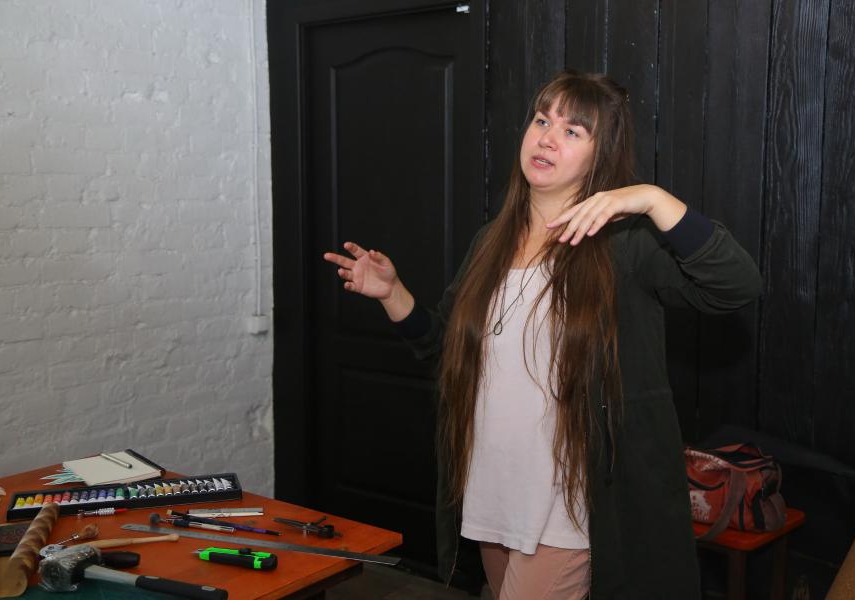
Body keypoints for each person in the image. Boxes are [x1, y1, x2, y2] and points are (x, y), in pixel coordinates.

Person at [324, 70, 762, 599]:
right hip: (493, 488)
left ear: (600, 155)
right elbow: (446, 352)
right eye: (541, 120)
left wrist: (651, 199)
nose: (548, 138)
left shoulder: (624, 245)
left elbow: (737, 285)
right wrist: (393, 294)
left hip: (566, 505)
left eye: (573, 130)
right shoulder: (492, 241)